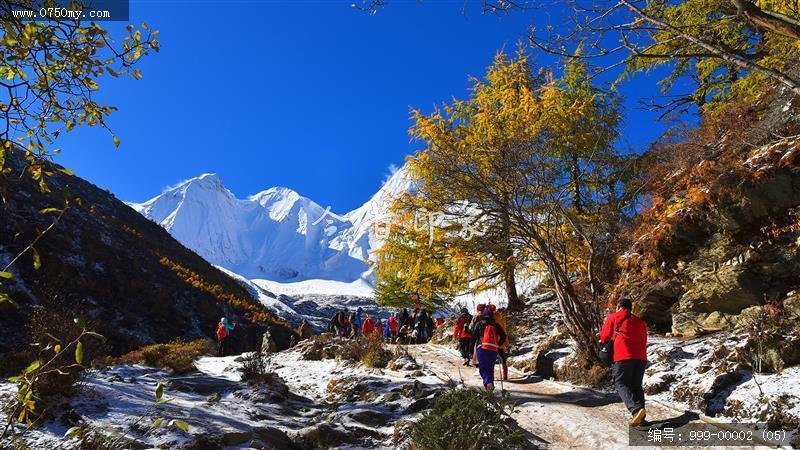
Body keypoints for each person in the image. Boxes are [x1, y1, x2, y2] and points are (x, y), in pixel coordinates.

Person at [599, 297, 649, 427]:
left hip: (623, 356)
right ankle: (640, 417)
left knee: (621, 383)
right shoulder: (640, 322)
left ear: (618, 306)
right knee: (636, 385)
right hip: (641, 357)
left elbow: (604, 336)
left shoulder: (614, 317)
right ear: (631, 308)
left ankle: (636, 409)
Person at [470, 308, 506, 390]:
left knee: (483, 368)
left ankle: (488, 383)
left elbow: (473, 339)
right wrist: (498, 344)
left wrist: (470, 351)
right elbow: (503, 336)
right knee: (490, 368)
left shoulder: (479, 324)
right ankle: (490, 386)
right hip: (493, 349)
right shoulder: (496, 325)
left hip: (482, 348)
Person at [490, 304, 510, 381]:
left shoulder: (491, 320)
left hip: (492, 342)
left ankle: (491, 376)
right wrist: (506, 342)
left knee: (491, 359)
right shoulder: (500, 318)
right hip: (501, 341)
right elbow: (504, 331)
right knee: (502, 358)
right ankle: (505, 375)